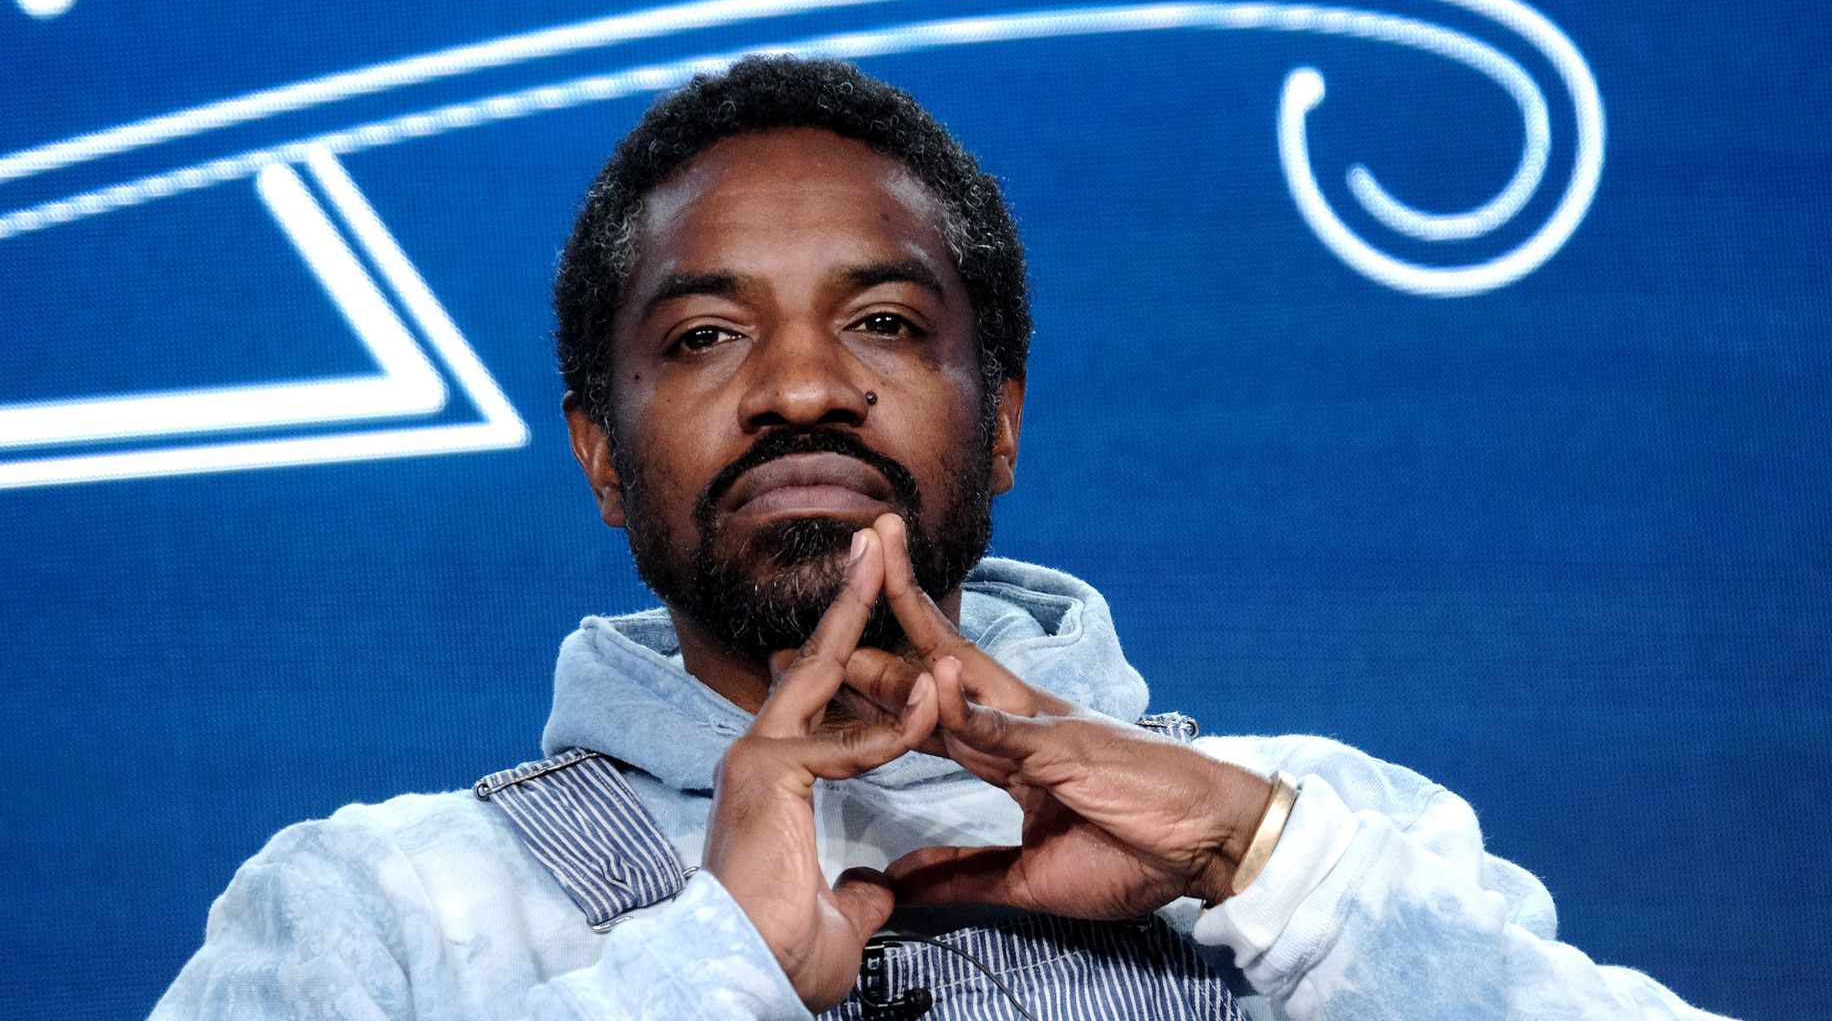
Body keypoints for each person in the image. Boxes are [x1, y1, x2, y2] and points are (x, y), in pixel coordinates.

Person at [153, 56, 1725, 1020]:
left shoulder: (1318, 835)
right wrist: (714, 973)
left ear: (1007, 423)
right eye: (704, 338)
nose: (804, 387)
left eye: (889, 322)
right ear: (600, 460)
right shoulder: (370, 907)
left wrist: (1259, 859)